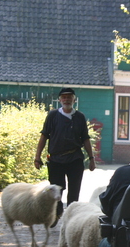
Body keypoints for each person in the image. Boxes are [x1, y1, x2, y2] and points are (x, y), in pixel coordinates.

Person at [35, 87, 95, 225]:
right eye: (64, 97)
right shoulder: (53, 115)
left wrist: (91, 159)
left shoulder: (79, 117)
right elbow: (44, 136)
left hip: (75, 158)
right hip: (56, 159)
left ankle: (71, 219)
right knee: (56, 189)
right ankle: (56, 214)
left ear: (74, 100)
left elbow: (85, 138)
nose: (67, 100)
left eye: (69, 97)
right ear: (60, 100)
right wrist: (37, 157)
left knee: (74, 191)